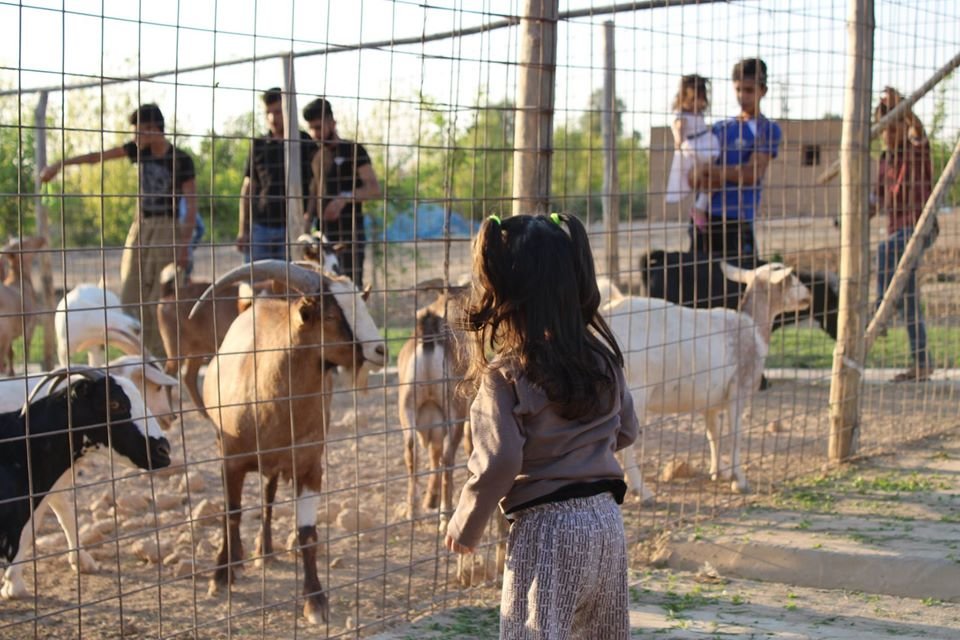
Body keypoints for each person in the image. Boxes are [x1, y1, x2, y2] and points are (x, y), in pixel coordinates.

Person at [444, 213, 639, 639]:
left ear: (503, 293)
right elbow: (626, 431)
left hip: (546, 532)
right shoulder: (604, 360)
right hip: (607, 524)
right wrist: (584, 450)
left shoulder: (506, 375)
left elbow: (500, 462)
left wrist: (466, 523)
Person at [40, 103, 196, 358]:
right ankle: (137, 353)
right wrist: (60, 164)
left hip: (167, 227)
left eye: (139, 132)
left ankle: (161, 357)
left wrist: (184, 246)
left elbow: (191, 204)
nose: (134, 138)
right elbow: (95, 157)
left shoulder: (182, 159)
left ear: (153, 129)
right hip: (141, 225)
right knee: (130, 291)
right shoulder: (138, 152)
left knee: (162, 296)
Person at [690, 58, 782, 268]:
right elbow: (695, 174)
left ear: (763, 90)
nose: (743, 96)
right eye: (739, 90)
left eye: (749, 90)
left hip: (738, 221)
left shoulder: (767, 130)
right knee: (700, 284)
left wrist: (713, 171)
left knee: (741, 284)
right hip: (708, 219)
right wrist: (726, 172)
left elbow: (751, 175)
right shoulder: (721, 129)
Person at [872, 87, 937, 383]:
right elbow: (876, 202)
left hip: (920, 227)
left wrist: (903, 105)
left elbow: (919, 128)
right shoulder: (884, 160)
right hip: (899, 231)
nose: (890, 132)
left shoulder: (916, 147)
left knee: (885, 250)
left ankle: (880, 314)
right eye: (885, 127)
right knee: (909, 298)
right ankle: (922, 362)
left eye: (896, 124)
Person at [302, 97, 381, 287]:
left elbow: (374, 189)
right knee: (324, 287)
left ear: (332, 123)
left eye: (319, 127)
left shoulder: (354, 150)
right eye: (311, 128)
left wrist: (342, 200)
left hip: (350, 234)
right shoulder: (315, 156)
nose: (315, 134)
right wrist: (306, 221)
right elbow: (315, 191)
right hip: (323, 236)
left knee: (351, 285)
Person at [238, 87, 317, 262]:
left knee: (290, 283)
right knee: (256, 282)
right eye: (268, 113)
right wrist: (243, 229)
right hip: (260, 227)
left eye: (278, 112)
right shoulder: (258, 144)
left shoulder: (304, 141)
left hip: (292, 228)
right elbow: (249, 187)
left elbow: (315, 186)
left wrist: (308, 219)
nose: (273, 118)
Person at [665, 73, 720, 231]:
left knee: (712, 177)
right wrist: (679, 139)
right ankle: (699, 209)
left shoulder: (698, 114)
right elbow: (678, 132)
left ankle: (700, 208)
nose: (697, 103)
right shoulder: (681, 115)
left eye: (700, 99)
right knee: (706, 173)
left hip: (704, 143)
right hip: (693, 148)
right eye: (693, 99)